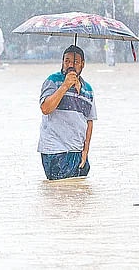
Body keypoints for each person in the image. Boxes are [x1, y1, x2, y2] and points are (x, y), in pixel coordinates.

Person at [38, 45, 96, 180]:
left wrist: (85, 151)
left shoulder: (88, 89)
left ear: (82, 64)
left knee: (79, 194)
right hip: (55, 150)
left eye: (75, 62)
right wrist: (65, 86)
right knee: (59, 195)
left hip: (78, 152)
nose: (70, 65)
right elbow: (46, 109)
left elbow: (89, 121)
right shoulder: (52, 81)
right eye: (67, 61)